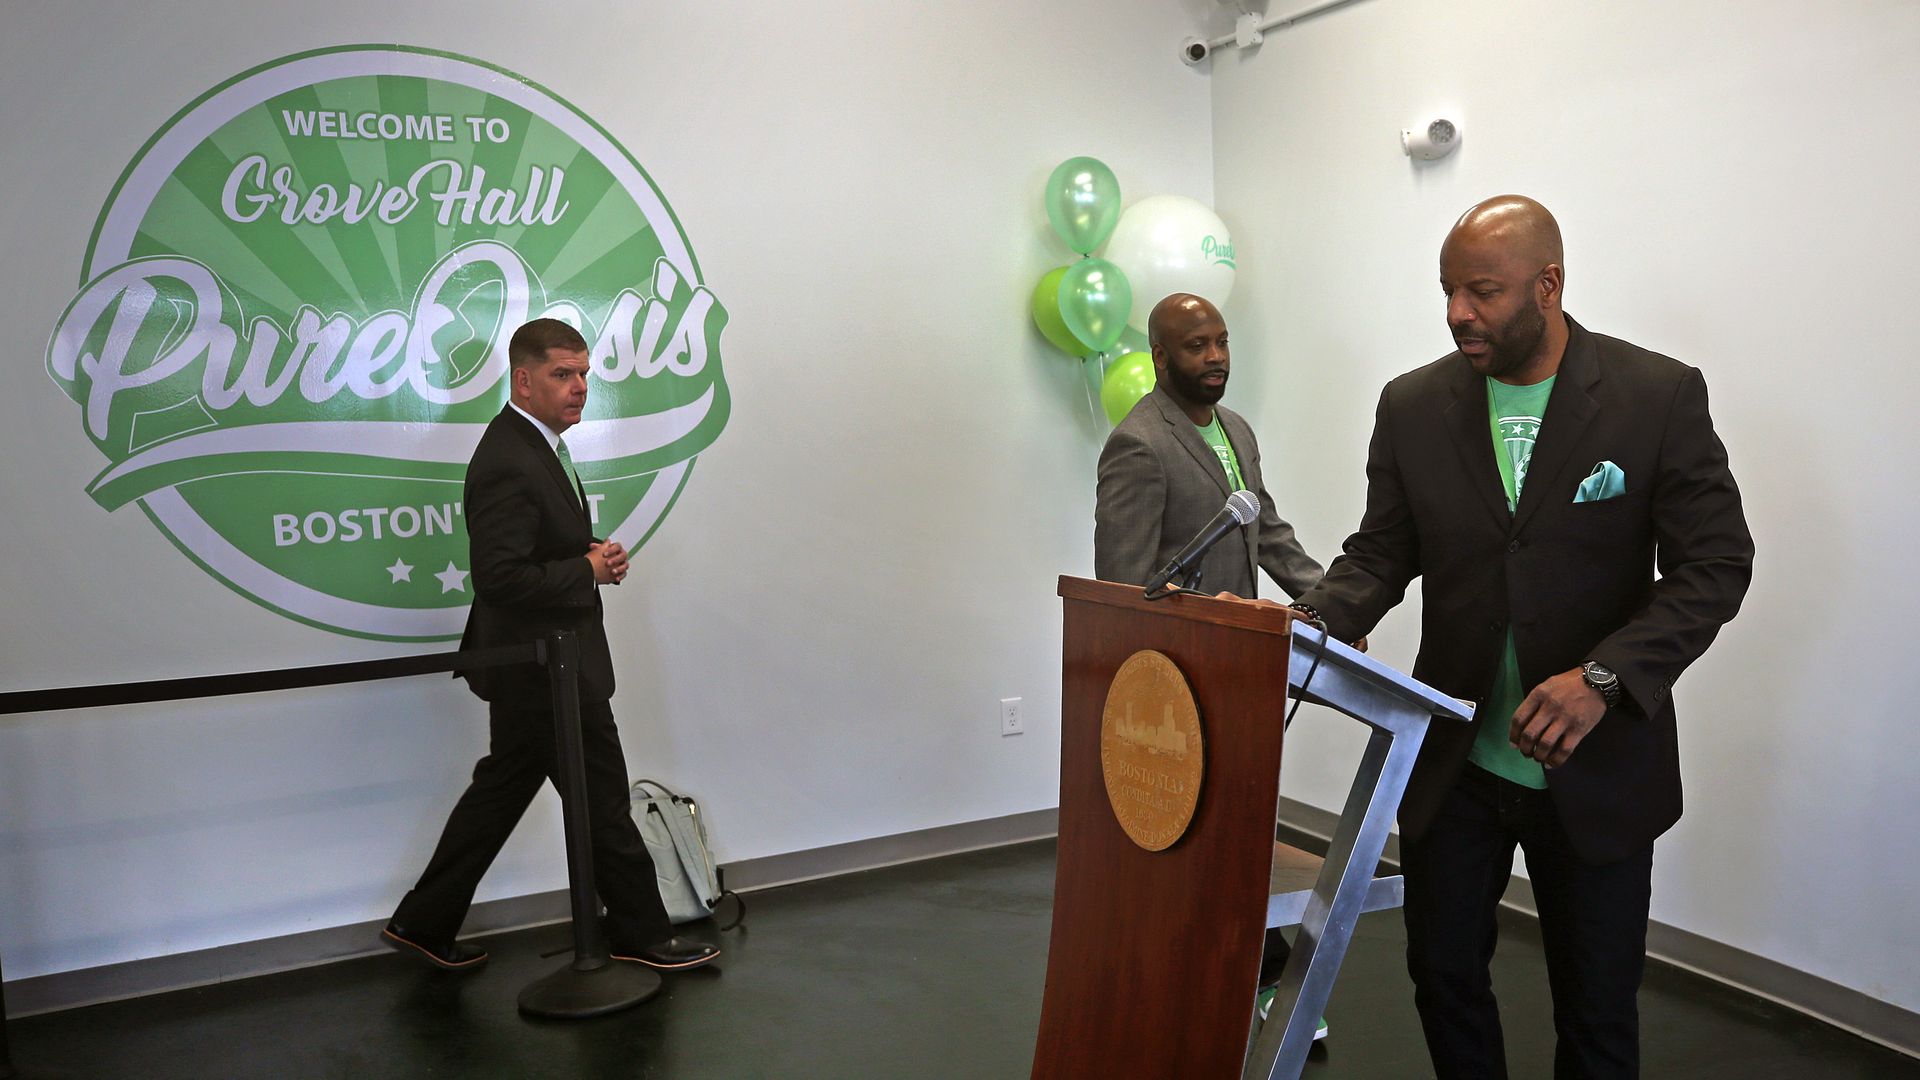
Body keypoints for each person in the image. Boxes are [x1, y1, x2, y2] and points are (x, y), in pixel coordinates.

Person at [1289, 196, 1753, 1078]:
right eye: (1448, 291)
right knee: (1444, 979)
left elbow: (1715, 565)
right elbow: (1381, 553)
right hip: (1455, 766)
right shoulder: (1413, 405)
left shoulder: (1656, 396)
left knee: (1597, 1007)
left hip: (1598, 764)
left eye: (1482, 291)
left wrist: (1604, 677)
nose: (1459, 311)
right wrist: (1307, 625)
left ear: (1549, 285)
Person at [381, 318, 718, 976]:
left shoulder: (533, 446)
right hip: (543, 666)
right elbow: (499, 577)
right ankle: (640, 933)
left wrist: (587, 556)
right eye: (564, 374)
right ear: (523, 379)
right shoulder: (510, 457)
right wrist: (584, 573)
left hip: (536, 661)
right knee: (602, 797)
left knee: (502, 789)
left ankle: (422, 921)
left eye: (585, 374)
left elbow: (533, 553)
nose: (580, 387)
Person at [1094, 292, 1328, 1037]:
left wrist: (1337, 603)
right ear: (1160, 359)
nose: (1216, 356)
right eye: (1196, 346)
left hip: (1244, 670)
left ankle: (1247, 975)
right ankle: (1251, 980)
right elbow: (1123, 589)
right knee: (1215, 834)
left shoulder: (1238, 431)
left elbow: (1271, 534)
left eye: (1222, 341)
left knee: (1238, 828)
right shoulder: (1139, 444)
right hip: (1182, 686)